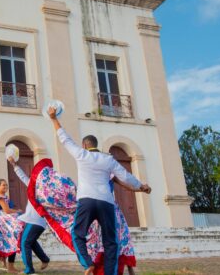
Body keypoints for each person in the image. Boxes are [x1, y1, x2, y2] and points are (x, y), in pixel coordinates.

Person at [46, 106, 151, 275]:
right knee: (111, 241)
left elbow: (64, 138)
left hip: (86, 200)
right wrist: (142, 186)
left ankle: (88, 264)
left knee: (78, 234)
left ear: (85, 144)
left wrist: (53, 118)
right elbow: (125, 176)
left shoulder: (81, 154)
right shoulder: (108, 159)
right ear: (95, 145)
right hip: (106, 202)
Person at [8, 157, 50, 274]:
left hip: (35, 221)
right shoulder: (34, 186)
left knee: (25, 242)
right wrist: (15, 166)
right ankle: (44, 259)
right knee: (31, 241)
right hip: (35, 221)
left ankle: (29, 269)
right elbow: (24, 178)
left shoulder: (46, 191)